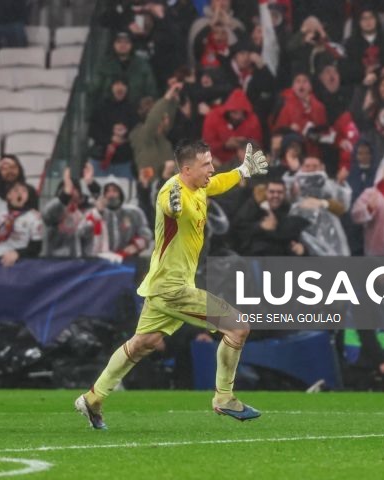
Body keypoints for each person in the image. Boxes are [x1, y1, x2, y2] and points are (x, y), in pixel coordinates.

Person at [75, 140, 269, 429]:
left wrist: (242, 170)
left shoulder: (200, 186)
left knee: (144, 342)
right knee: (238, 326)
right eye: (206, 165)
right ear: (187, 169)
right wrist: (173, 207)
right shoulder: (172, 190)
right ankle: (224, 398)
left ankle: (92, 398)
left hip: (161, 284)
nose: (212, 169)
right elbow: (169, 204)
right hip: (173, 287)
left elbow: (219, 182)